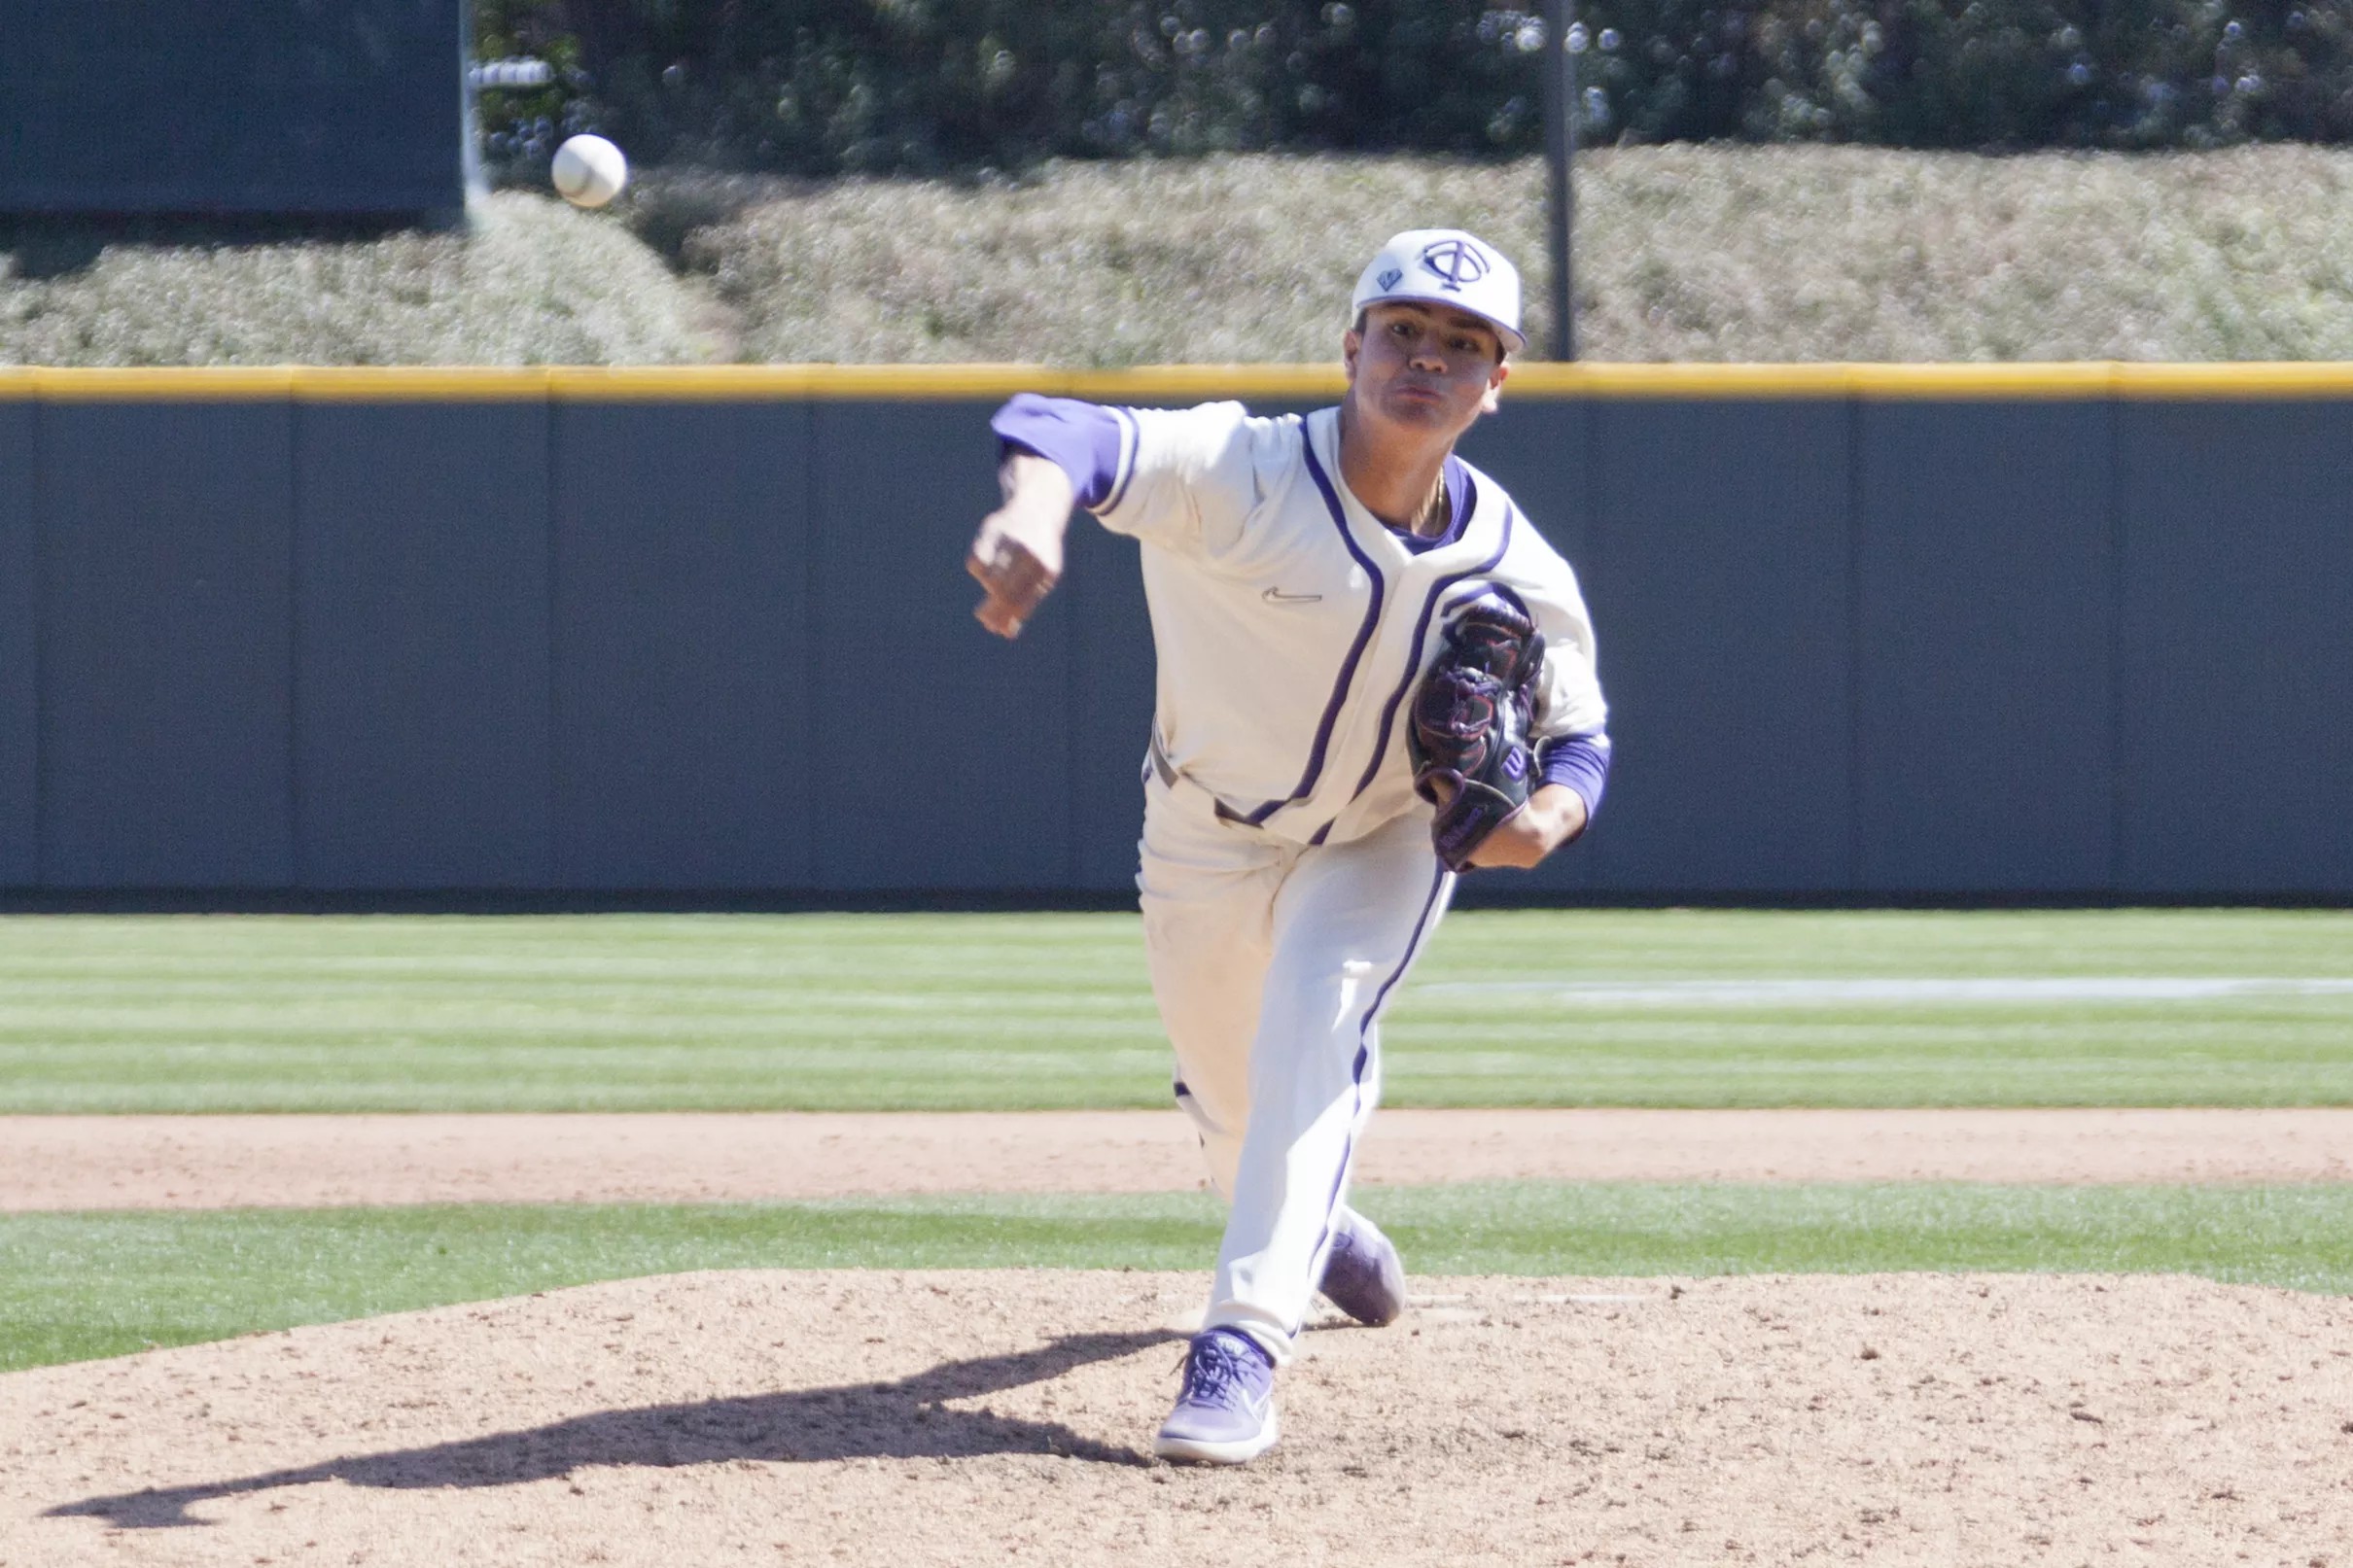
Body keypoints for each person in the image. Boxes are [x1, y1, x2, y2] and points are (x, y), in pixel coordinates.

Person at [966, 229, 1611, 1465]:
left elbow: (1581, 734)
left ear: (1497, 381)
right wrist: (1033, 517)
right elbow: (1059, 427)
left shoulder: (1515, 565)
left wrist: (1546, 819)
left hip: (1381, 839)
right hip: (1201, 826)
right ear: (1352, 344)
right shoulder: (1241, 471)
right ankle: (1316, 1226)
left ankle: (1241, 1345)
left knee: (1318, 1021)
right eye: (1405, 329)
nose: (1427, 356)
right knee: (1227, 1096)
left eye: (1462, 342)